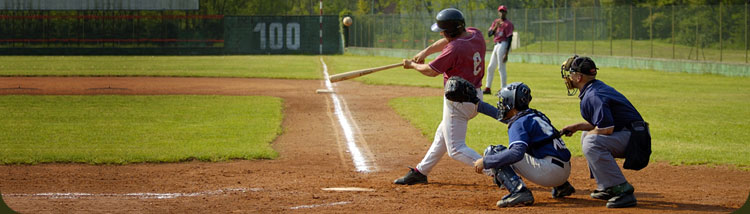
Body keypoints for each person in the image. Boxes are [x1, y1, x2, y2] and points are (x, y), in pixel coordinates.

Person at [394, 8, 487, 185]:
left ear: (449, 32)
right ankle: (420, 172)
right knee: (442, 135)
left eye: (443, 30)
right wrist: (425, 52)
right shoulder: (475, 34)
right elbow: (446, 41)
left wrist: (412, 65)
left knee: (456, 149)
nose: (442, 34)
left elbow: (430, 71)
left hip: (458, 102)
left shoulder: (454, 49)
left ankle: (498, 170)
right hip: (475, 96)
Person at [559, 55, 648, 208]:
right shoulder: (594, 88)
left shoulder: (594, 95)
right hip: (631, 133)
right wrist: (577, 127)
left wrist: (591, 134)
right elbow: (601, 123)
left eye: (571, 73)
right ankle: (607, 186)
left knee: (591, 141)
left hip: (636, 139)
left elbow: (607, 129)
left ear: (579, 77)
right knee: (586, 135)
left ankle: (622, 190)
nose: (568, 77)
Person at [473, 82, 576, 207]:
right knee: (531, 145)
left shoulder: (518, 123)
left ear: (511, 103)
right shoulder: (534, 115)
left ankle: (519, 191)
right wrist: (477, 103)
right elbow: (506, 118)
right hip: (564, 171)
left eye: (504, 100)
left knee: (494, 152)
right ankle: (562, 187)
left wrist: (486, 162)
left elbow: (517, 153)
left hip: (549, 173)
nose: (501, 104)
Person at [483, 5, 514, 94]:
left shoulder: (508, 24)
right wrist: (495, 26)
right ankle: (488, 88)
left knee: (501, 67)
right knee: (490, 67)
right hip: (496, 45)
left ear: (506, 13)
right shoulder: (496, 22)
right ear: (498, 12)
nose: (502, 13)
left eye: (503, 11)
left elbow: (509, 38)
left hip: (503, 44)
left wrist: (506, 53)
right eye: (500, 11)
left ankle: (503, 89)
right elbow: (489, 34)